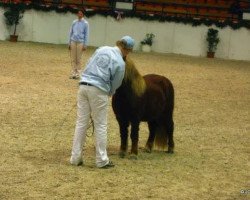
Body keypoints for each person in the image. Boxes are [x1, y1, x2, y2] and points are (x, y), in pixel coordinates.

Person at [70, 36, 135, 169]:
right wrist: (109, 92)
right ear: (127, 50)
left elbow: (88, 63)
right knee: (101, 125)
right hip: (99, 90)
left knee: (81, 123)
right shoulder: (120, 63)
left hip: (83, 86)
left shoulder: (102, 49)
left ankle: (75, 158)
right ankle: (101, 160)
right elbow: (116, 83)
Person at [68, 9, 89, 79]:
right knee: (73, 58)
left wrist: (85, 45)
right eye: (78, 13)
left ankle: (78, 73)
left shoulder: (85, 23)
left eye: (81, 14)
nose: (79, 15)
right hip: (73, 41)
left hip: (80, 42)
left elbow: (86, 34)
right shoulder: (74, 22)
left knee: (78, 58)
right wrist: (69, 43)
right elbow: (70, 32)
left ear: (83, 15)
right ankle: (74, 72)